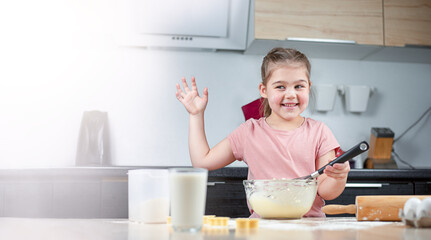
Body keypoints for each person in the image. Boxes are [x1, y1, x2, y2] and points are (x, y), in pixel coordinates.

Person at [175, 47, 350, 217]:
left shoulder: (320, 132)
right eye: (280, 87)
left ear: (308, 87)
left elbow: (325, 190)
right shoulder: (248, 132)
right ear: (264, 90)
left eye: (299, 86)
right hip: (263, 228)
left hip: (310, 228)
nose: (290, 94)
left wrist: (339, 177)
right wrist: (196, 115)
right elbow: (202, 161)